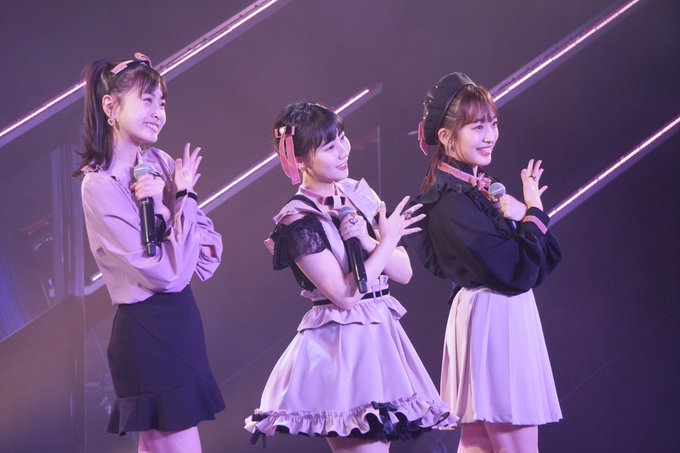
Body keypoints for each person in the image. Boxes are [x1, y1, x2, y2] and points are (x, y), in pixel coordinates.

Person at [244, 102, 456, 452]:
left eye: (342, 138)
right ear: (300, 159)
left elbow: (403, 272)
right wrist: (387, 241)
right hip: (341, 346)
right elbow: (345, 296)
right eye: (330, 147)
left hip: (381, 334)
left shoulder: (359, 192)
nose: (344, 150)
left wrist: (371, 241)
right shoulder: (297, 219)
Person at [406, 73, 563, 453]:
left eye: (493, 124)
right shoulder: (450, 200)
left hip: (491, 313)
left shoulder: (472, 189)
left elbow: (541, 259)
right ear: (447, 137)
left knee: (477, 442)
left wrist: (525, 213)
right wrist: (532, 211)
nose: (490, 135)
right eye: (478, 127)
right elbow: (517, 271)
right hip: (496, 316)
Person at [76, 53, 224, 452]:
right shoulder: (99, 185)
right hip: (147, 329)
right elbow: (166, 273)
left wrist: (172, 201)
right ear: (110, 107)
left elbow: (207, 256)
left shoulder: (159, 162)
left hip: (182, 321)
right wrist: (183, 198)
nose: (158, 113)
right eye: (147, 100)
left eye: (162, 103)